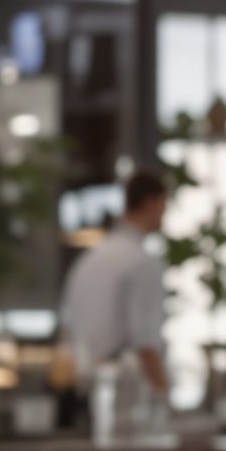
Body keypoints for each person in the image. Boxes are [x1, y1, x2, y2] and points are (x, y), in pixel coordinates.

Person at [59, 167, 172, 401]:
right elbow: (145, 342)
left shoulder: (91, 259)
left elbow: (69, 327)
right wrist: (164, 397)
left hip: (84, 392)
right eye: (164, 205)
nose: (165, 213)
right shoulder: (140, 262)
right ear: (152, 203)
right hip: (123, 397)